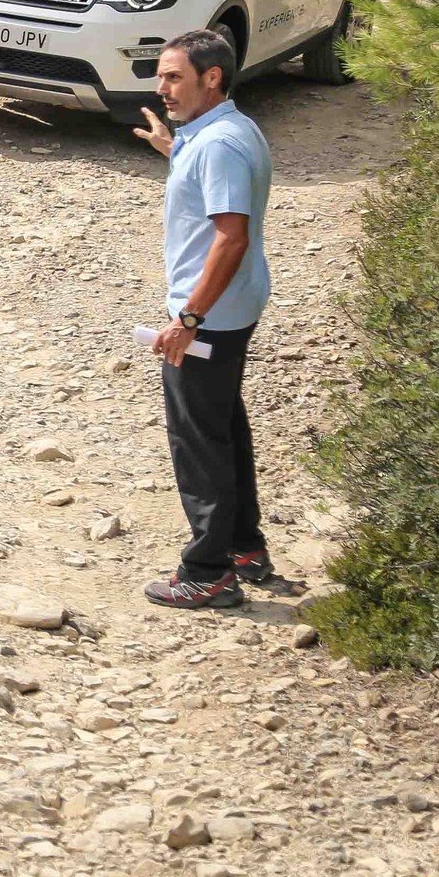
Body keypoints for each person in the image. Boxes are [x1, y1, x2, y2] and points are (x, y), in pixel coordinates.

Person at [132, 30, 273, 609]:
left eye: (173, 77)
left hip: (209, 316)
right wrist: (175, 150)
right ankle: (244, 547)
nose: (161, 87)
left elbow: (230, 237)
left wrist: (188, 318)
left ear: (211, 77)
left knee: (198, 441)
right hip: (231, 309)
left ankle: (208, 570)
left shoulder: (218, 146)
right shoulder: (224, 133)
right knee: (223, 427)